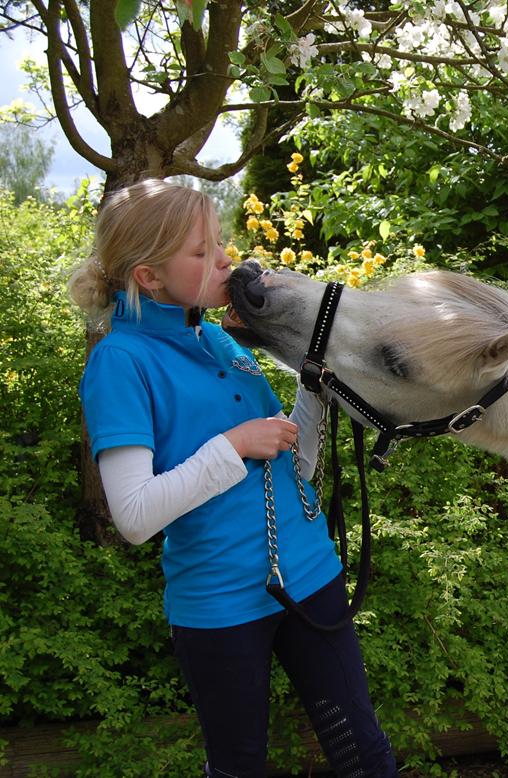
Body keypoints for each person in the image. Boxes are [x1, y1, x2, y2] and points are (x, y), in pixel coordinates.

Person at [67, 179, 397, 778]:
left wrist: (312, 392)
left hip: (310, 574)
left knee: (364, 753)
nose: (226, 259)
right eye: (202, 251)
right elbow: (135, 518)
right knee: (240, 765)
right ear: (148, 276)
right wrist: (233, 445)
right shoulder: (119, 362)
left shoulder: (218, 337)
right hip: (218, 605)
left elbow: (291, 469)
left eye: (220, 242)